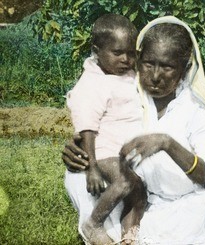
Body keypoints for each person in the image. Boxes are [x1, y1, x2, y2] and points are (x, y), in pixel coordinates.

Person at [63, 16, 205, 244]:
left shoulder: (194, 111)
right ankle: (113, 235)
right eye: (148, 64)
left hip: (189, 209)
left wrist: (166, 143)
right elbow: (95, 117)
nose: (156, 76)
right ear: (138, 60)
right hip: (137, 209)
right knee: (77, 175)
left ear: (184, 68)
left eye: (167, 67)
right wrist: (77, 149)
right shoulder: (130, 93)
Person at [65, 13, 146, 244]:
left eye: (131, 53)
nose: (126, 60)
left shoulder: (127, 75)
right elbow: (87, 128)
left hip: (126, 152)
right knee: (126, 182)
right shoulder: (92, 83)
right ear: (96, 50)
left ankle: (129, 237)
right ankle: (93, 223)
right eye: (117, 52)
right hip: (105, 152)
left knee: (137, 189)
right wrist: (92, 168)